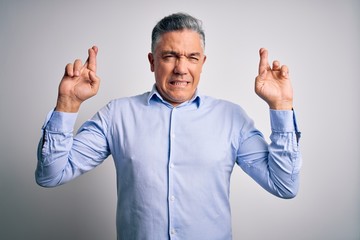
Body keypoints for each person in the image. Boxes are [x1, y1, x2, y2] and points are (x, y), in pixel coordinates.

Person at [36, 12, 301, 240]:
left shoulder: (232, 118)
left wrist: (282, 105)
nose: (181, 68)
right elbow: (51, 174)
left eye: (192, 57)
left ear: (203, 63)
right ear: (152, 61)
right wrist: (67, 104)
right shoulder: (117, 115)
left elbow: (284, 185)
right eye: (170, 56)